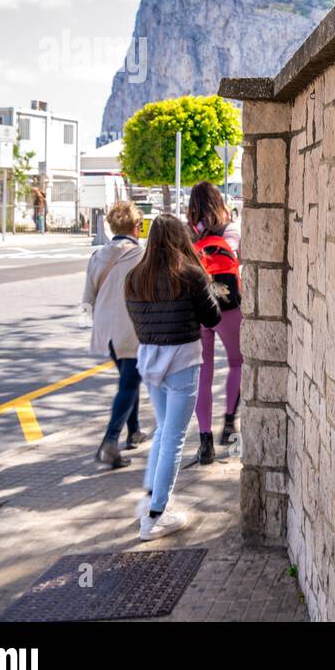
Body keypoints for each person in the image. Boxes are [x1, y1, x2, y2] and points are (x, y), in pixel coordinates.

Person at [125, 213, 222, 540]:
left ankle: (151, 497)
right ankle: (155, 516)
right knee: (174, 438)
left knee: (163, 429)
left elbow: (138, 323)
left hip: (150, 361)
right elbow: (213, 317)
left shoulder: (135, 277)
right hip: (182, 360)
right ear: (179, 238)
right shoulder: (191, 275)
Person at [83, 201, 147, 469]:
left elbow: (88, 298)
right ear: (136, 227)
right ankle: (110, 441)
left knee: (127, 377)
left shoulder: (98, 256)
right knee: (129, 383)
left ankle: (134, 431)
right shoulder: (141, 255)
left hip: (106, 330)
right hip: (131, 328)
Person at [186, 181, 243, 465]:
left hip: (198, 311)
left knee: (203, 377)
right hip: (227, 307)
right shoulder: (230, 229)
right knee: (236, 363)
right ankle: (230, 422)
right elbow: (236, 260)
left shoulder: (187, 235)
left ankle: (204, 442)